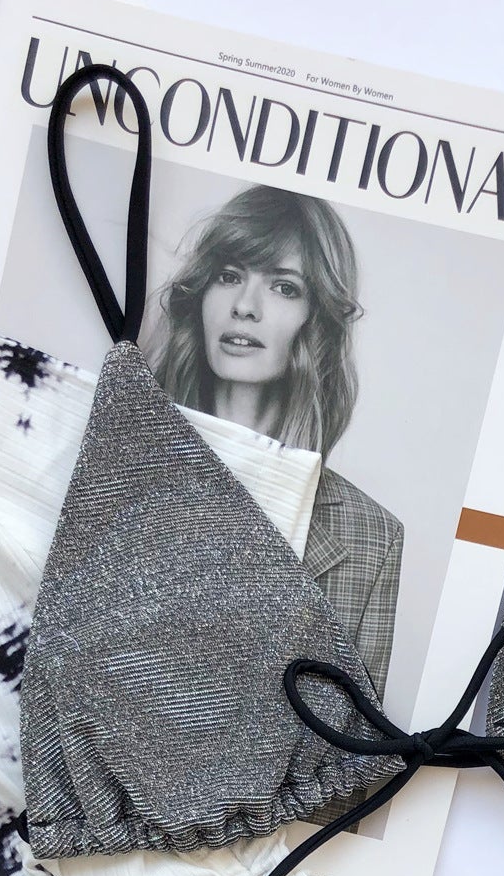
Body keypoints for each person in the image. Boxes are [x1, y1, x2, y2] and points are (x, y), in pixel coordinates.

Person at [150, 185, 402, 701]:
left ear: (317, 319)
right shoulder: (118, 463)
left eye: (284, 288)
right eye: (229, 276)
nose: (245, 307)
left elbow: (348, 739)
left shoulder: (372, 539)